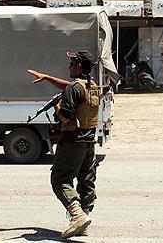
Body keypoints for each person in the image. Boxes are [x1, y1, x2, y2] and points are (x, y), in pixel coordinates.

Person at [29, 50, 102, 239]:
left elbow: (67, 118)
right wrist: (47, 78)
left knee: (60, 179)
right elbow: (71, 87)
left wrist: (57, 107)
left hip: (72, 140)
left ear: (78, 66)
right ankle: (83, 221)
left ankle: (77, 216)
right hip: (89, 140)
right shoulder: (92, 86)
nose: (69, 67)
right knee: (86, 181)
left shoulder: (73, 89)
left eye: (71, 64)